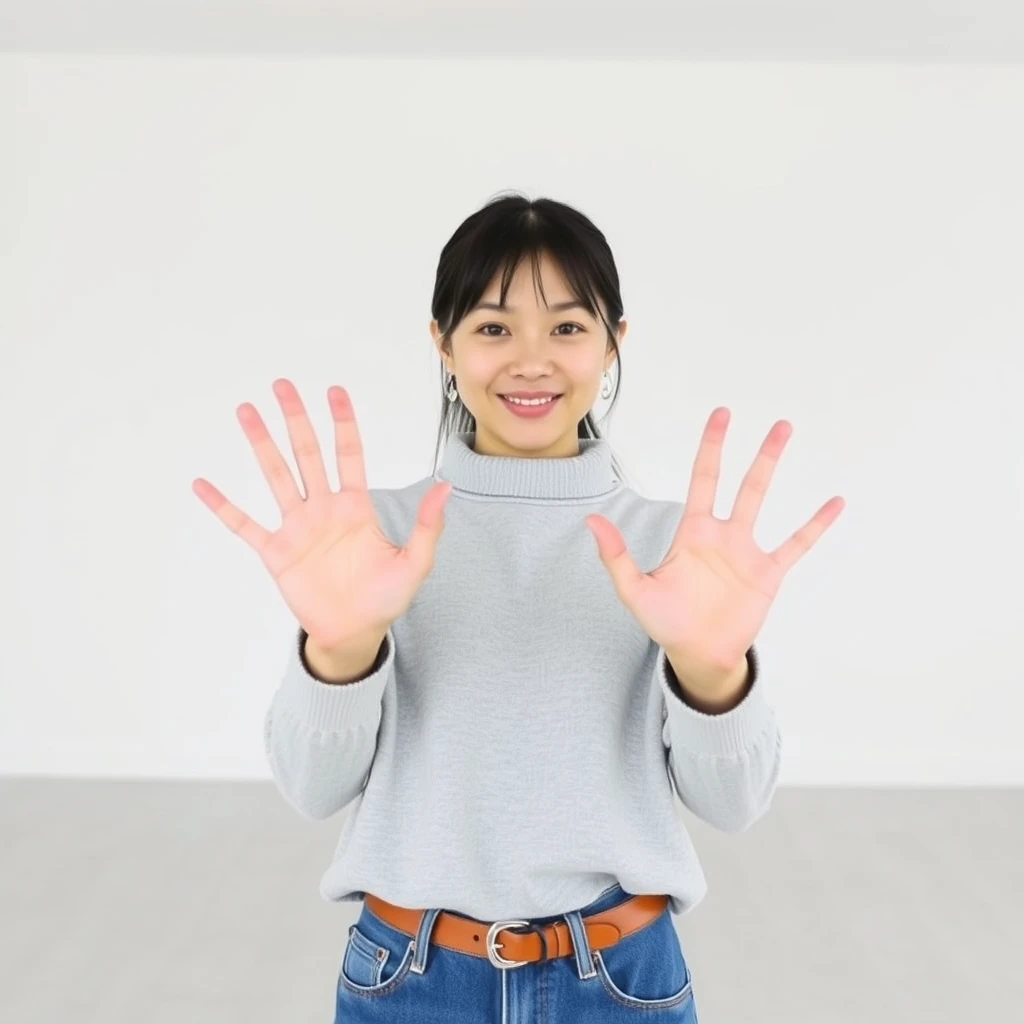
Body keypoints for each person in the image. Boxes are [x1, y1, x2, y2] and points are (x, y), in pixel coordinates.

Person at [193, 192, 844, 1022]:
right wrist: (342, 646)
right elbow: (312, 788)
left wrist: (713, 671)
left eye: (568, 328)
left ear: (613, 343)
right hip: (408, 981)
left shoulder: (677, 551)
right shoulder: (373, 539)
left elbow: (735, 804)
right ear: (444, 343)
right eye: (494, 328)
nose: (531, 361)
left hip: (622, 981)